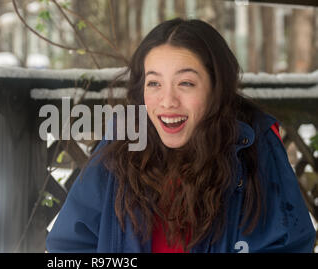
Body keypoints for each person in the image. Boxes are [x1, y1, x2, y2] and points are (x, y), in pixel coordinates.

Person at [45, 18, 316, 253]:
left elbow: (288, 244)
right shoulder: (123, 142)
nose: (167, 101)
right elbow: (70, 244)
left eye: (185, 83)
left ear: (216, 88)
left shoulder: (254, 143)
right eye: (154, 83)